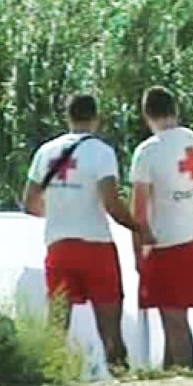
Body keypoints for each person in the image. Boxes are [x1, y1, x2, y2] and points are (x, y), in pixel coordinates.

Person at [22, 94, 153, 370]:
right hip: (96, 247)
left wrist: (59, 213)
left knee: (57, 325)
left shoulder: (46, 151)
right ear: (96, 117)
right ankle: (119, 376)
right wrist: (139, 228)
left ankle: (52, 377)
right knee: (109, 327)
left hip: (58, 246)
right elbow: (112, 203)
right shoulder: (101, 152)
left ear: (67, 116)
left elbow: (30, 203)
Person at [130, 86, 193, 370]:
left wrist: (138, 250)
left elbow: (139, 211)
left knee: (173, 320)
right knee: (176, 317)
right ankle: (172, 373)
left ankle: (184, 376)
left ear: (146, 114)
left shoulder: (148, 151)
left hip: (163, 245)